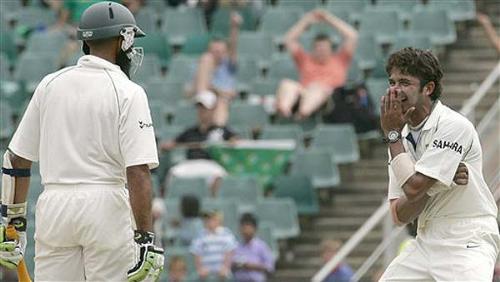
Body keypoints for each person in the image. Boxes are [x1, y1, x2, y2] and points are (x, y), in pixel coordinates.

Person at [0, 2, 164, 281]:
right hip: (105, 207)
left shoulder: (50, 84)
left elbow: (16, 159)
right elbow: (138, 170)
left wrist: (12, 224)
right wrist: (146, 238)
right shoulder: (128, 91)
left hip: (54, 207)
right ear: (122, 39)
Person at [379, 47, 499, 281]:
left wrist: (393, 137)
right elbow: (399, 215)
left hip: (468, 236)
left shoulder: (453, 125)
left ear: (428, 88)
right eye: (392, 82)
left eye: (404, 82)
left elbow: (412, 189)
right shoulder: (399, 138)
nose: (395, 90)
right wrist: (437, 181)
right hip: (426, 237)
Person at [276, 9, 358, 120]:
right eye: (318, 48)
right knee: (287, 84)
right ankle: (285, 111)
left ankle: (303, 113)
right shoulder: (305, 59)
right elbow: (289, 39)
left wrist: (329, 19)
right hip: (304, 94)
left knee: (317, 88)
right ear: (313, 49)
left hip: (330, 99)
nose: (321, 51)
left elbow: (352, 36)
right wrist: (307, 20)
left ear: (330, 49)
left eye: (324, 48)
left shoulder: (340, 60)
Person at [160, 91, 239, 193]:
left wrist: (232, 141)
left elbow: (235, 140)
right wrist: (166, 146)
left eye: (204, 109)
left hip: (211, 165)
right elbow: (173, 144)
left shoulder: (221, 130)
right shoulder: (190, 131)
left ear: (212, 110)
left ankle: (214, 204)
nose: (201, 112)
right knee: (173, 173)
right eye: (199, 108)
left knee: (220, 175)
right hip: (190, 164)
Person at [193, 11, 242, 126]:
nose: (217, 54)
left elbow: (233, 46)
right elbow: (191, 91)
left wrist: (234, 27)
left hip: (222, 99)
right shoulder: (205, 63)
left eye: (220, 52)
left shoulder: (228, 65)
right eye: (214, 51)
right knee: (205, 59)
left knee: (221, 102)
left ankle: (217, 131)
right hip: (205, 97)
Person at [190, 209, 237, 281]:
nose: (209, 221)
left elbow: (229, 252)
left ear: (219, 219)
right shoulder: (200, 234)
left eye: (212, 218)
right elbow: (197, 253)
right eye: (207, 219)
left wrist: (225, 268)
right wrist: (200, 269)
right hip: (205, 272)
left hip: (222, 272)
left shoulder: (226, 233)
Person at [232, 213, 275, 282]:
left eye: (248, 227)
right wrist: (237, 265)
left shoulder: (261, 246)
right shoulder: (236, 246)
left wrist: (251, 266)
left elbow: (269, 268)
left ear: (255, 229)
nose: (246, 231)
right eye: (243, 228)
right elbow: (231, 265)